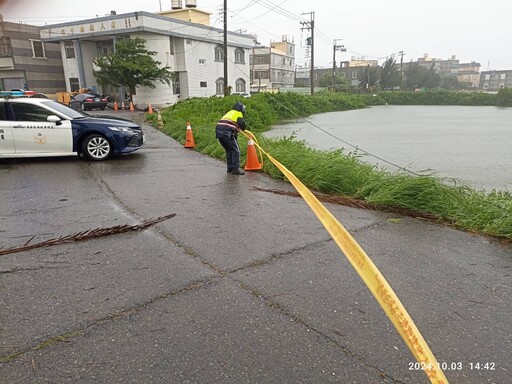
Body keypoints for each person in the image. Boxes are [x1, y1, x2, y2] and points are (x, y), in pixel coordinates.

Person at [215, 101, 247, 175]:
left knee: (229, 150)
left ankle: (230, 168)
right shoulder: (238, 113)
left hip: (219, 132)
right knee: (236, 150)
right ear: (241, 109)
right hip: (227, 132)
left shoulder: (229, 112)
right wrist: (243, 128)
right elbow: (242, 124)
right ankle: (236, 169)